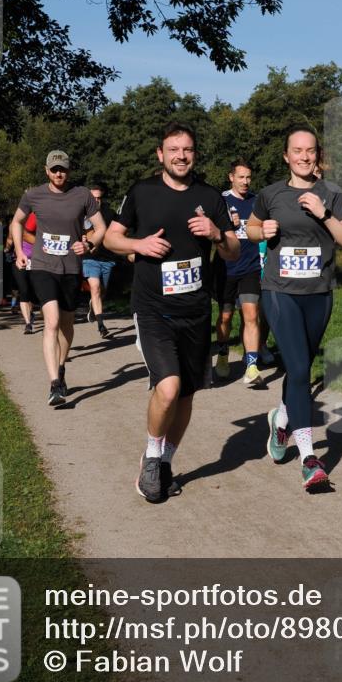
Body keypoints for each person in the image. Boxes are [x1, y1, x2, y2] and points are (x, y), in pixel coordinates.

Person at [104, 122, 239, 503]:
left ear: (195, 154)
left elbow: (233, 251)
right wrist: (139, 244)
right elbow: (110, 238)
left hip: (195, 311)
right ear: (160, 154)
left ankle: (165, 463)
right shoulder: (142, 192)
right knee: (169, 387)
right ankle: (150, 456)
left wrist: (216, 234)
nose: (181, 155)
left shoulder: (210, 197)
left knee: (186, 395)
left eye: (188, 149)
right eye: (173, 149)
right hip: (153, 310)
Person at [246, 124, 342, 491]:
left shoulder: (332, 193)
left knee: (300, 367)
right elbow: (251, 227)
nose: (304, 156)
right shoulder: (271, 194)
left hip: (319, 292)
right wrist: (262, 232)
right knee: (296, 367)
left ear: (317, 155)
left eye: (310, 150)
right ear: (286, 156)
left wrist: (325, 214)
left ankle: (281, 420)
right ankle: (310, 458)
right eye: (297, 150)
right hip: (279, 290)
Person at [11, 150, 105, 406]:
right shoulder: (33, 195)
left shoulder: (82, 195)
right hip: (42, 266)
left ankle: (61, 367)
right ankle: (54, 384)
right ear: (46, 171)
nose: (58, 173)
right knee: (50, 322)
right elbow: (16, 222)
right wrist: (20, 252)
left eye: (62, 169)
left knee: (66, 324)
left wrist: (89, 245)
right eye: (54, 169)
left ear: (69, 170)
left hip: (71, 268)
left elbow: (101, 228)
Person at [214, 159, 265, 387]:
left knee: (251, 315)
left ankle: (252, 367)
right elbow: (210, 234)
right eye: (241, 177)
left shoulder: (256, 202)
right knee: (226, 317)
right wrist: (227, 226)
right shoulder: (221, 201)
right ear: (231, 177)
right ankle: (223, 354)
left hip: (251, 268)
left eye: (248, 177)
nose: (245, 182)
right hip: (226, 269)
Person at [82, 181, 117, 339]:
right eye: (93, 198)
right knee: (95, 288)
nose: (96, 201)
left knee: (101, 291)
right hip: (90, 259)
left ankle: (93, 307)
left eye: (98, 198)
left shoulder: (110, 214)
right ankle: (101, 326)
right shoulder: (82, 214)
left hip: (108, 258)